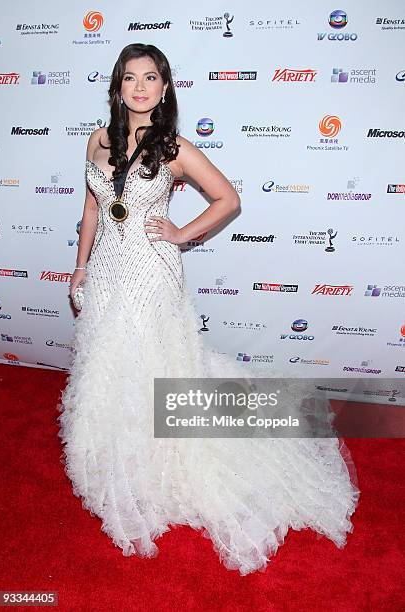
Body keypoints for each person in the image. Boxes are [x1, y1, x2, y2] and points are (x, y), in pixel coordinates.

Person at [57, 43, 360, 576]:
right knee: (109, 360)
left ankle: (161, 457)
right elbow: (91, 207)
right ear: (118, 87)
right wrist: (80, 267)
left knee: (154, 360)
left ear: (165, 87)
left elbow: (228, 199)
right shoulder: (98, 141)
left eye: (151, 78)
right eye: (131, 78)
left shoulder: (174, 148)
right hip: (106, 269)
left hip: (151, 271)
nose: (141, 87)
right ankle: (114, 448)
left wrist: (179, 233)